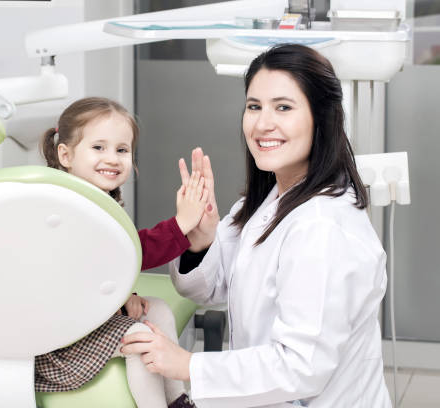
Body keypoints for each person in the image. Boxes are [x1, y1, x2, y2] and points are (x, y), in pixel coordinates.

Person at [121, 44, 391, 407]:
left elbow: (301, 367)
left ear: (321, 117)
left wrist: (187, 364)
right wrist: (201, 240)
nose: (263, 124)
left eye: (283, 107)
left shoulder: (322, 227)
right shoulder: (271, 199)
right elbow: (212, 288)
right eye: (254, 106)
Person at [36, 97, 205, 408]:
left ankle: (179, 401)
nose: (112, 158)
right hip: (58, 340)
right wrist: (180, 225)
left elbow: (105, 261)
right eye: (98, 148)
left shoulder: (101, 200)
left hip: (86, 318)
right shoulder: (67, 205)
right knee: (142, 340)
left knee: (159, 311)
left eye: (122, 150)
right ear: (66, 154)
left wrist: (124, 291)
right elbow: (126, 252)